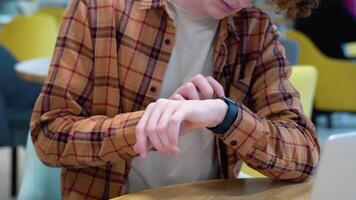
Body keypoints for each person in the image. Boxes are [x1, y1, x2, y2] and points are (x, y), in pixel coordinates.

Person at [30, 0, 320, 199]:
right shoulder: (99, 9)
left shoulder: (254, 31)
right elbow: (49, 134)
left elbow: (304, 155)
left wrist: (225, 115)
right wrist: (145, 126)